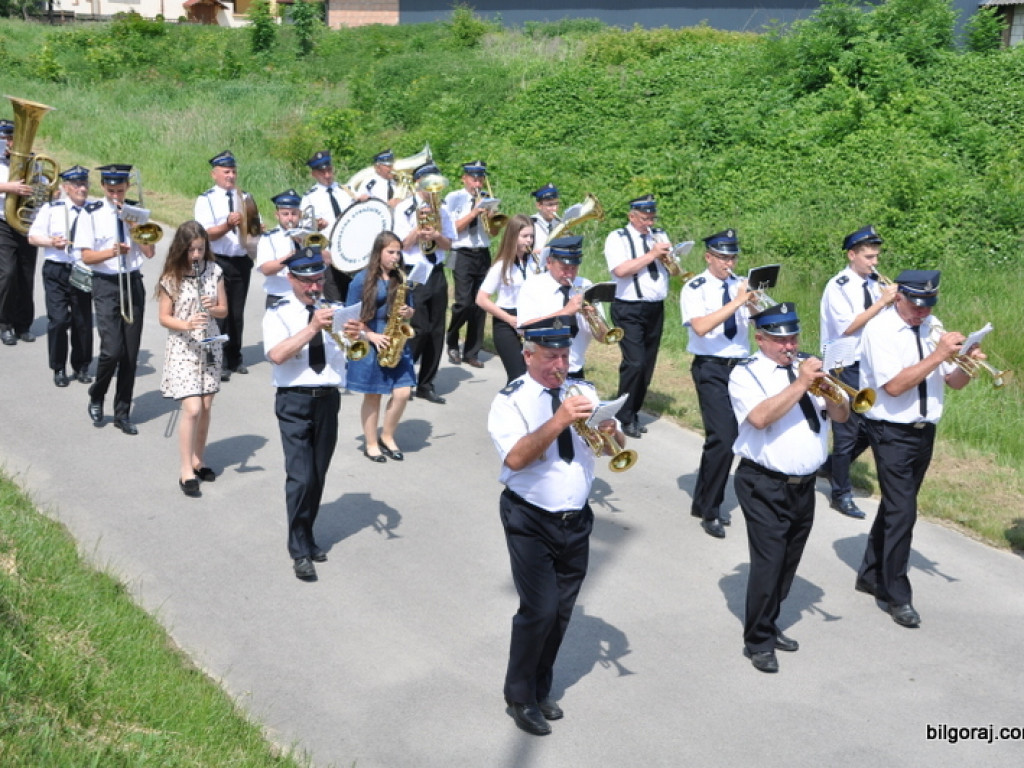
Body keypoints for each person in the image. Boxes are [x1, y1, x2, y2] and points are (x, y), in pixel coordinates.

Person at [487, 317, 627, 736]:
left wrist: (610, 431)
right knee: (539, 610)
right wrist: (560, 420)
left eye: (565, 355)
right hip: (529, 517)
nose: (560, 365)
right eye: (550, 356)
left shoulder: (581, 391)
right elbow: (515, 458)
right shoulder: (510, 401)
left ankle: (540, 686)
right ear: (528, 355)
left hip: (577, 518)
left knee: (561, 612)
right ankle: (519, 695)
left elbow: (615, 447)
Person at [729, 302, 849, 673]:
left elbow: (843, 415)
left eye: (793, 337)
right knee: (769, 561)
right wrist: (800, 383)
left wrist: (827, 389)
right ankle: (758, 640)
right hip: (763, 482)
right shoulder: (745, 373)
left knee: (789, 559)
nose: (789, 346)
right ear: (760, 338)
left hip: (804, 485)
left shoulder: (808, 369)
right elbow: (761, 418)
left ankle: (769, 620)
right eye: (780, 340)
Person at [855, 270, 976, 629]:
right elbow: (894, 386)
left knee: (897, 507)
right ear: (899, 298)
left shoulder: (932, 324)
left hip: (924, 430)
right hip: (890, 429)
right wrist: (939, 355)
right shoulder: (879, 331)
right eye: (916, 306)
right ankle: (896, 594)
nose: (922, 313)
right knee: (904, 511)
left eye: (928, 307)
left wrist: (968, 362)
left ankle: (870, 573)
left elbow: (954, 382)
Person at [264, 246, 365, 582]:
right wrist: (311, 329)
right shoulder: (277, 313)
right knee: (301, 477)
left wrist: (353, 336)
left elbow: (347, 355)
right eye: (306, 281)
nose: (314, 287)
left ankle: (307, 535)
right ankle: (298, 550)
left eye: (319, 279)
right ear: (291, 279)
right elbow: (277, 355)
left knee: (318, 475)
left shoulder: (334, 311)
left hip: (327, 399)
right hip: (294, 399)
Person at [680, 229, 755, 539]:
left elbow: (759, 322)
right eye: (723, 257)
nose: (729, 262)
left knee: (723, 439)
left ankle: (701, 500)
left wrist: (752, 303)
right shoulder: (694, 288)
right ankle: (711, 509)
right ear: (708, 257)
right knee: (724, 438)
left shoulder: (739, 286)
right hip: (710, 366)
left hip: (740, 367)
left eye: (733, 257)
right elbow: (701, 327)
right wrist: (737, 302)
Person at [818, 225, 898, 519]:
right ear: (852, 255)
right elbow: (847, 327)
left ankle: (830, 467)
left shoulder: (874, 283)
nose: (874, 262)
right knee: (847, 432)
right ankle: (841, 493)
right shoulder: (838, 285)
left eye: (876, 256)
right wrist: (882, 303)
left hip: (869, 365)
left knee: (871, 425)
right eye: (868, 257)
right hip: (842, 365)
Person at [75, 163, 157, 435]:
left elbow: (149, 252)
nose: (115, 196)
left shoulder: (136, 211)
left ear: (127, 188)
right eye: (110, 190)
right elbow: (86, 256)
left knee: (130, 356)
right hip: (106, 283)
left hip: (132, 282)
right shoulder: (91, 212)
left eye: (120, 190)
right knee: (111, 350)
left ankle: (122, 413)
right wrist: (111, 252)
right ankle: (97, 395)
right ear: (103, 187)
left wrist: (135, 225)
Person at [156, 221, 228, 497]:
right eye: (191, 250)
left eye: (200, 249)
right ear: (181, 249)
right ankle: (186, 470)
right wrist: (186, 324)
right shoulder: (171, 277)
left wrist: (213, 307)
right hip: (183, 347)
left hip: (210, 344)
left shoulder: (214, 271)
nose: (197, 255)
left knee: (207, 406)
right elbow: (164, 318)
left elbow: (223, 311)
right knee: (193, 409)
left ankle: (199, 459)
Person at [604, 194, 672, 439]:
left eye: (652, 218)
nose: (649, 223)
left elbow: (671, 268)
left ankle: (632, 411)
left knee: (648, 364)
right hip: (628, 307)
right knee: (635, 362)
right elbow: (621, 270)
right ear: (631, 216)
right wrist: (652, 255)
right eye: (645, 218)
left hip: (655, 307)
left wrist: (670, 259)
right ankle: (622, 417)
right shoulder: (617, 238)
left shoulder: (660, 234)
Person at [345, 231, 416, 463]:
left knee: (403, 392)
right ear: (378, 252)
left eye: (398, 252)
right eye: (390, 252)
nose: (396, 257)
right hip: (371, 338)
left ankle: (387, 435)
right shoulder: (361, 280)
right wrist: (371, 335)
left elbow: (410, 309)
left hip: (395, 338)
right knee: (373, 395)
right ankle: (371, 443)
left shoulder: (401, 278)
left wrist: (408, 312)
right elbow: (350, 318)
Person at [27, 164, 95, 386]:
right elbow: (33, 237)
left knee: (82, 321)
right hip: (56, 269)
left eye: (84, 183)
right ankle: (58, 368)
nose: (81, 189)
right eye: (76, 185)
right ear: (66, 187)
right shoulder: (52, 208)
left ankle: (81, 365)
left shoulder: (94, 210)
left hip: (81, 269)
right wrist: (51, 242)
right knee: (58, 321)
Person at [393, 162, 454, 404]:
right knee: (417, 329)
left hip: (436, 270)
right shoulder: (405, 208)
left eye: (437, 183)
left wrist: (436, 236)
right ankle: (404, 378)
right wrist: (418, 231)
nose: (434, 189)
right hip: (413, 270)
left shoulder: (444, 209)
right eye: (429, 183)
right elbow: (401, 245)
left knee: (437, 330)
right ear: (418, 183)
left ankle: (426, 383)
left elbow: (450, 244)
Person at [194, 150, 251, 381]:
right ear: (214, 174)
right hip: (218, 260)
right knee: (220, 313)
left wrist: (258, 228)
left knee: (237, 313)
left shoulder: (245, 197)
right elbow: (205, 233)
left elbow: (254, 225)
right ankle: (219, 359)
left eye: (234, 171)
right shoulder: (206, 199)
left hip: (241, 259)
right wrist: (227, 225)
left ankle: (235, 357)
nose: (231, 176)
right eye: (226, 171)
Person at [516, 235, 596, 382]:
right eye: (564, 268)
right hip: (541, 369)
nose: (570, 274)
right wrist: (565, 312)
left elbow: (600, 335)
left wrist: (592, 319)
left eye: (574, 268)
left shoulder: (585, 285)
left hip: (575, 367)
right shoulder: (533, 286)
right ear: (549, 262)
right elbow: (524, 328)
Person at [444, 160, 492, 369]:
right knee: (463, 303)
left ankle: (472, 351)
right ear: (464, 178)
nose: (478, 182)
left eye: (481, 178)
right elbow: (451, 229)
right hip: (461, 252)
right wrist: (473, 213)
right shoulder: (454, 198)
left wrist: (490, 216)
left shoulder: (488, 198)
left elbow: (494, 231)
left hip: (482, 252)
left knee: (480, 304)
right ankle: (452, 341)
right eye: (474, 178)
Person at [476, 213, 534, 383]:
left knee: (531, 376)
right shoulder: (501, 265)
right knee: (518, 375)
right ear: (513, 236)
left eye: (531, 236)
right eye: (524, 236)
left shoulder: (533, 263)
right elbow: (481, 299)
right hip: (506, 322)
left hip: (529, 320)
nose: (529, 240)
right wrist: (509, 319)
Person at [0, 118, 38, 347]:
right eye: (6, 137)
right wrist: (9, 188)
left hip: (26, 223)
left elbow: (46, 188)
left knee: (26, 275)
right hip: (3, 222)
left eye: (13, 137)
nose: (10, 142)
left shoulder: (34, 161)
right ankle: (4, 323)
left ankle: (23, 324)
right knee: (8, 273)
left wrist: (44, 191)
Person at [301, 149, 351, 303]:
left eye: (329, 170)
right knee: (335, 301)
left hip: (350, 254)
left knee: (354, 299)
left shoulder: (346, 191)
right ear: (314, 174)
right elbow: (304, 232)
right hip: (328, 256)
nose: (327, 175)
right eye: (322, 172)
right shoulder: (310, 197)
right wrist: (320, 250)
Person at [256, 188, 303, 309]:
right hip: (279, 296)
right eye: (285, 214)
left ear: (300, 214)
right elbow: (266, 269)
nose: (290, 218)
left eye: (294, 213)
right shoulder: (269, 238)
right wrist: (289, 258)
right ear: (277, 215)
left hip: (305, 297)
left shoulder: (309, 235)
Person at [528, 183, 561, 271]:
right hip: (535, 269)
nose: (554, 208)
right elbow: (524, 251)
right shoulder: (531, 223)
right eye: (550, 205)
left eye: (556, 204)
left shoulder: (559, 223)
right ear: (539, 205)